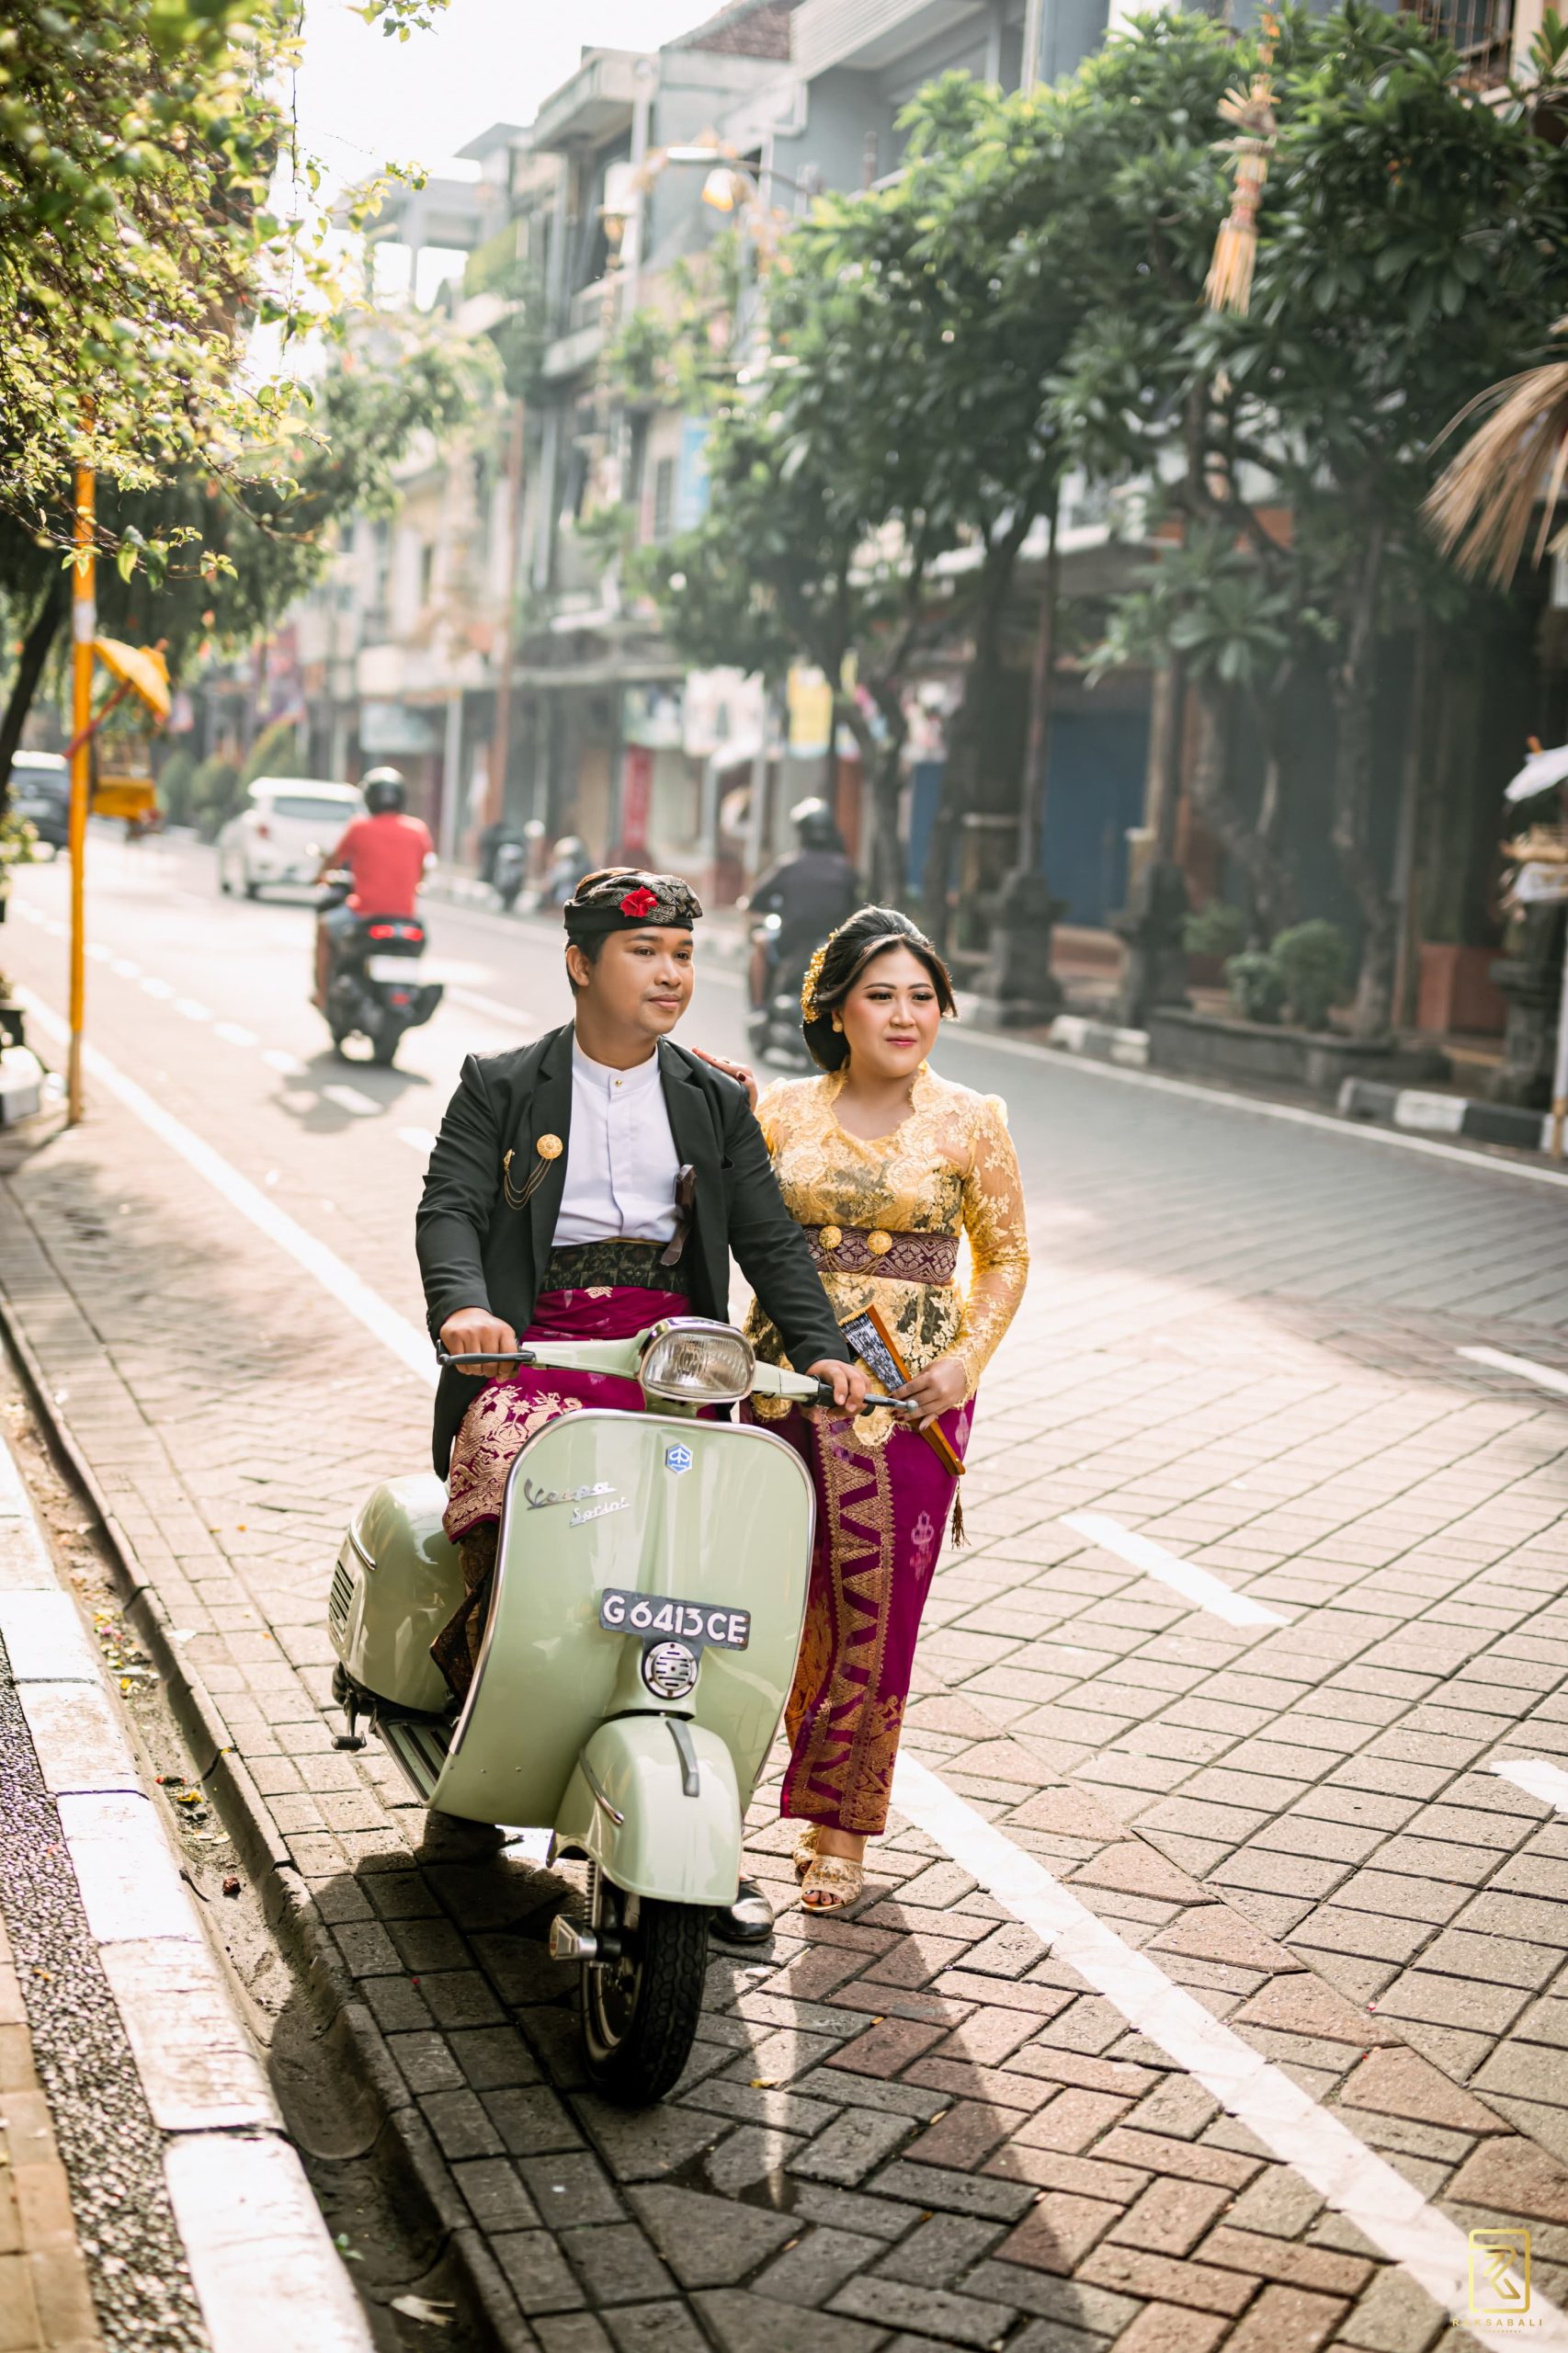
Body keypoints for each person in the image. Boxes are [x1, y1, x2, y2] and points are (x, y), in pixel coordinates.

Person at [415, 865, 868, 1942]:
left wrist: (823, 1349)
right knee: (516, 1501)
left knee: (709, 1557)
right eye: (644, 953)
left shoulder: (714, 1099)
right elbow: (450, 1207)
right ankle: (483, 1759)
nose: (671, 974)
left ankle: (701, 1824)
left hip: (673, 1359)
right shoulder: (500, 1084)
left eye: (682, 955)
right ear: (580, 964)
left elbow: (768, 1238)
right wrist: (466, 1308)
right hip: (536, 1351)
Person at [744, 906, 1029, 1913]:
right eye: (881, 995)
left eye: (922, 996)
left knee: (878, 1614)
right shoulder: (778, 1113)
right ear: (836, 1010)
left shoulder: (971, 1120)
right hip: (781, 1385)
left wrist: (962, 1365)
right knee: (778, 1602)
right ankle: (749, 1781)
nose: (905, 1015)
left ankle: (839, 1827)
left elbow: (1006, 1259)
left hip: (909, 1403)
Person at [312, 767, 435, 1012]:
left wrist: (320, 876)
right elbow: (424, 867)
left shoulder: (360, 828)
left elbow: (334, 860)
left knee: (324, 929)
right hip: (406, 918)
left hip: (364, 913)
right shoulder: (418, 829)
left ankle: (322, 996)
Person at [746, 798, 861, 1013]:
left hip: (790, 941)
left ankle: (759, 1006)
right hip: (833, 945)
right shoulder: (845, 869)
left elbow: (756, 901)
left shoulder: (789, 865)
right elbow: (855, 907)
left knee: (761, 943)